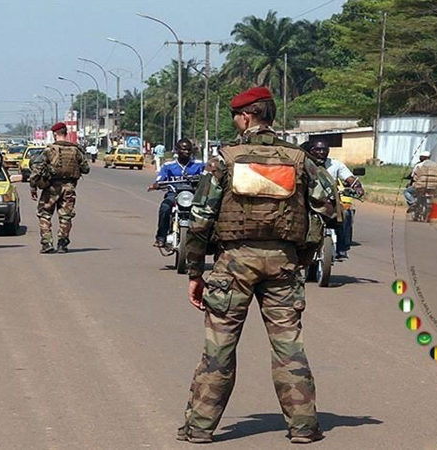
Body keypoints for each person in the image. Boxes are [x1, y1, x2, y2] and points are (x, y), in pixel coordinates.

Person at [178, 86, 337, 444]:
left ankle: (200, 429)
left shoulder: (226, 159)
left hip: (233, 265)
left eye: (236, 116)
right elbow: (329, 207)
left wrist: (194, 273)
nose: (236, 122)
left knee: (219, 348)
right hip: (284, 265)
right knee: (289, 347)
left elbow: (201, 219)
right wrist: (305, 253)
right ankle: (304, 428)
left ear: (247, 116)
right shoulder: (299, 159)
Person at [29, 122, 90, 254]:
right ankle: (62, 243)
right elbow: (86, 169)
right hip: (69, 188)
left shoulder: (49, 150)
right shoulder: (76, 150)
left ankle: (47, 243)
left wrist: (33, 187)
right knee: (66, 216)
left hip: (51, 188)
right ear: (66, 133)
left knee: (44, 214)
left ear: (55, 134)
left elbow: (36, 169)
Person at [307, 139, 364, 259]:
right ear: (311, 150)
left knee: (346, 214)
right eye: (318, 149)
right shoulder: (305, 163)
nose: (321, 152)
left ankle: (342, 248)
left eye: (324, 150)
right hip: (308, 201)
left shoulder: (336, 164)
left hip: (330, 201)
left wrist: (358, 187)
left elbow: (349, 178)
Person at [148, 138, 204, 248]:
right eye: (183, 149)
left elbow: (207, 177)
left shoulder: (199, 165)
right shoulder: (168, 166)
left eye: (189, 149)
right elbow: (160, 179)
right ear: (177, 150)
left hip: (193, 194)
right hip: (174, 194)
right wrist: (157, 185)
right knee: (165, 208)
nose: (186, 152)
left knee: (208, 212)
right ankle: (161, 237)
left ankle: (208, 240)